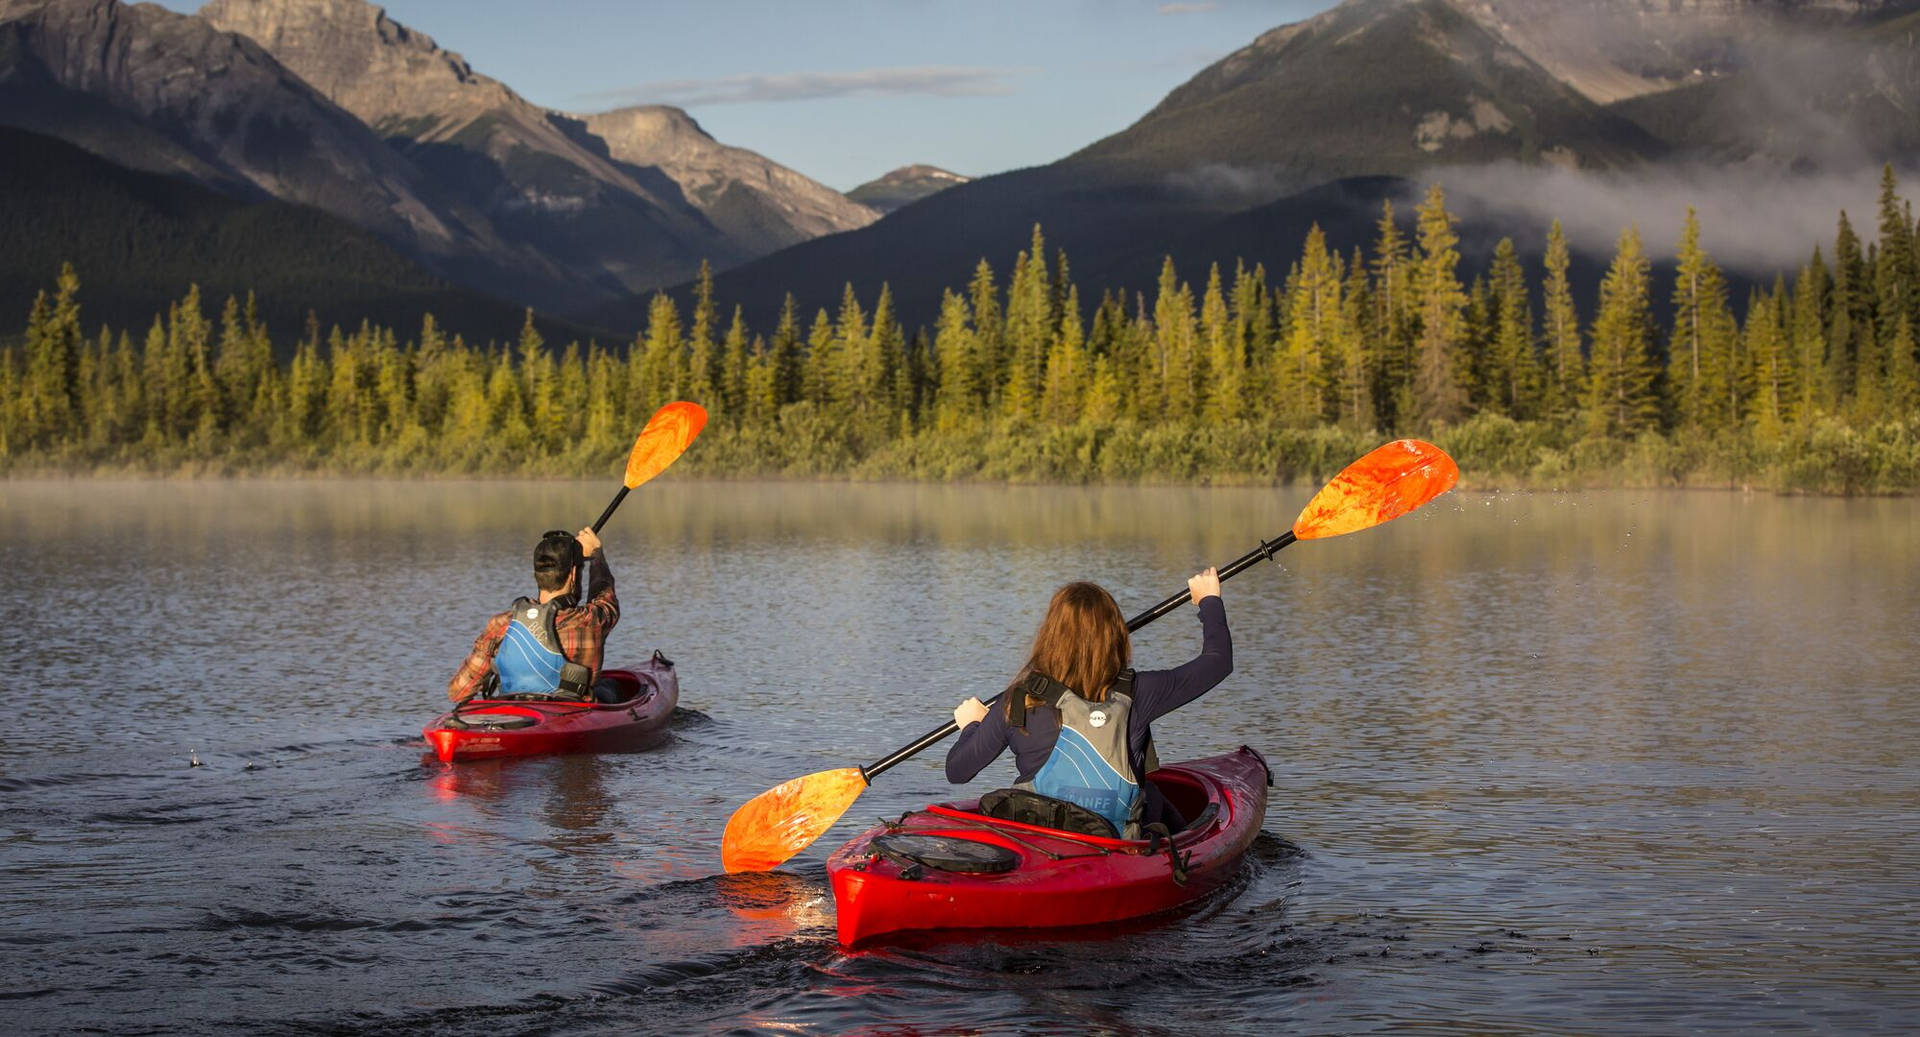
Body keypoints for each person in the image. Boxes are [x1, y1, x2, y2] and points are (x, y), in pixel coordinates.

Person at [945, 568, 1231, 839]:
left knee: (1152, 794)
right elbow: (1218, 662)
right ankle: (1187, 854)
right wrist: (1209, 600)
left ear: (1049, 636)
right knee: (1152, 795)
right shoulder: (1140, 692)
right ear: (1115, 636)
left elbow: (957, 771)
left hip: (1039, 840)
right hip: (1114, 844)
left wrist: (972, 725)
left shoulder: (1018, 698)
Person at [446, 527, 620, 703]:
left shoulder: (500, 625)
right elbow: (604, 597)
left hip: (511, 713)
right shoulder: (589, 621)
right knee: (611, 686)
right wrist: (597, 555)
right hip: (571, 715)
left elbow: (458, 692)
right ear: (574, 575)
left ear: (537, 575)